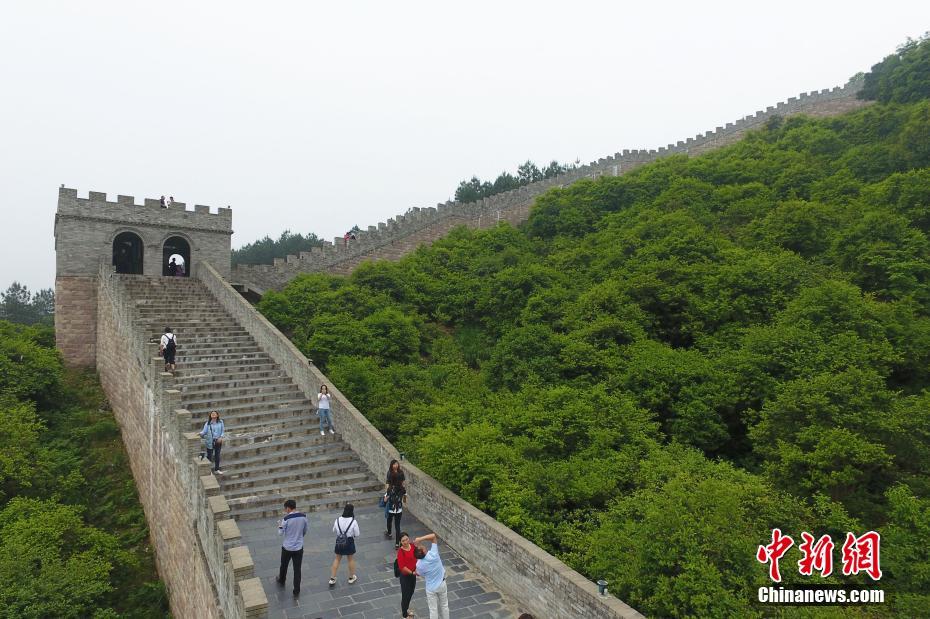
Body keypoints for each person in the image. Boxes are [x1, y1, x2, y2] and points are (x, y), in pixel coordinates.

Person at [276, 499, 308, 597]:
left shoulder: (286, 519)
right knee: (297, 569)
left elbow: (280, 533)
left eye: (285, 509)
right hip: (299, 547)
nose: (285, 511)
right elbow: (305, 530)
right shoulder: (304, 517)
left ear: (288, 508)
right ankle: (296, 590)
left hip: (287, 547)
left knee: (284, 565)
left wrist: (279, 526)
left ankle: (282, 580)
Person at [414, 533, 448, 619]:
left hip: (430, 588)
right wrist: (420, 538)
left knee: (433, 609)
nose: (422, 546)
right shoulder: (433, 554)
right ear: (424, 551)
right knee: (444, 605)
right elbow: (433, 536)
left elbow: (419, 574)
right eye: (421, 547)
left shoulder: (419, 565)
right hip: (441, 584)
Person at [329, 503, 359, 587]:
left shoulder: (337, 519)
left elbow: (334, 530)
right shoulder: (353, 521)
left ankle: (332, 578)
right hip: (349, 541)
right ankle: (351, 577)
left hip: (340, 541)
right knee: (350, 559)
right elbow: (357, 534)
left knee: (337, 559)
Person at [384, 459, 406, 547]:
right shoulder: (402, 489)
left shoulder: (390, 490)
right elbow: (404, 498)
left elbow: (385, 500)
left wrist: (386, 496)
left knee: (389, 520)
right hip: (399, 509)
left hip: (391, 509)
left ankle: (389, 532)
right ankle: (397, 543)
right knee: (397, 526)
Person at [396, 531, 418, 619]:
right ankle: (404, 615)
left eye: (406, 539)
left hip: (413, 574)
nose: (405, 542)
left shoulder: (413, 546)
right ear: (400, 542)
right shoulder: (400, 552)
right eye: (403, 541)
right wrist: (412, 572)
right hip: (405, 576)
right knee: (405, 595)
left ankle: (406, 608)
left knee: (411, 592)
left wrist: (416, 569)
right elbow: (402, 567)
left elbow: (417, 557)